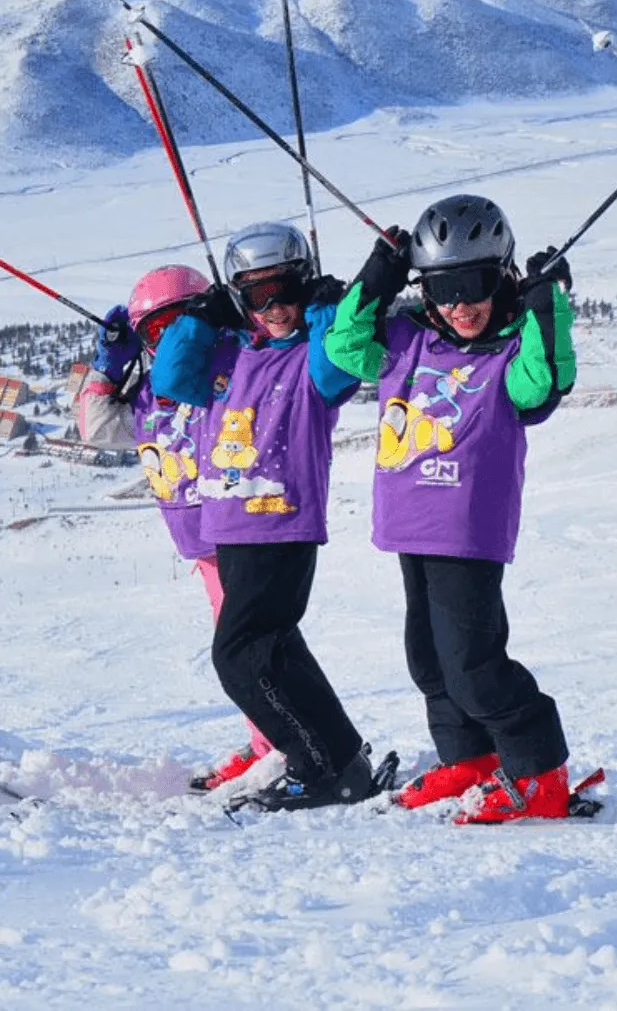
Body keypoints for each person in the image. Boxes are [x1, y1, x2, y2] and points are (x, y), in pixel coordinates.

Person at [325, 194, 575, 823]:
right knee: (428, 658)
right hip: (410, 526)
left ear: (504, 276)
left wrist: (547, 306)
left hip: (468, 533)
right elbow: (343, 349)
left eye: (476, 283)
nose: (461, 304)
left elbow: (545, 383)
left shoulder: (510, 354)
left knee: (472, 665)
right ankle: (469, 757)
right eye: (444, 288)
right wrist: (376, 275)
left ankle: (538, 769)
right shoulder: (403, 340)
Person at [152, 223, 389, 811]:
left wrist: (326, 311)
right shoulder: (228, 354)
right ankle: (342, 755)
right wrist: (202, 318)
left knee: (239, 657)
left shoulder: (310, 361)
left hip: (280, 524)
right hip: (229, 527)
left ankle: (320, 765)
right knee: (278, 651)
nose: (275, 307)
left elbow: (341, 367)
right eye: (257, 295)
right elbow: (170, 377)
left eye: (286, 290)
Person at [78, 264, 273, 792]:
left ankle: (279, 743)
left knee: (251, 650)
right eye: (154, 333)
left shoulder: (230, 371)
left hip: (244, 534)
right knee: (238, 653)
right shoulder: (145, 397)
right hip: (203, 547)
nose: (169, 343)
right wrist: (106, 367)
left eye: (180, 325)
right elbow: (96, 427)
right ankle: (267, 741)